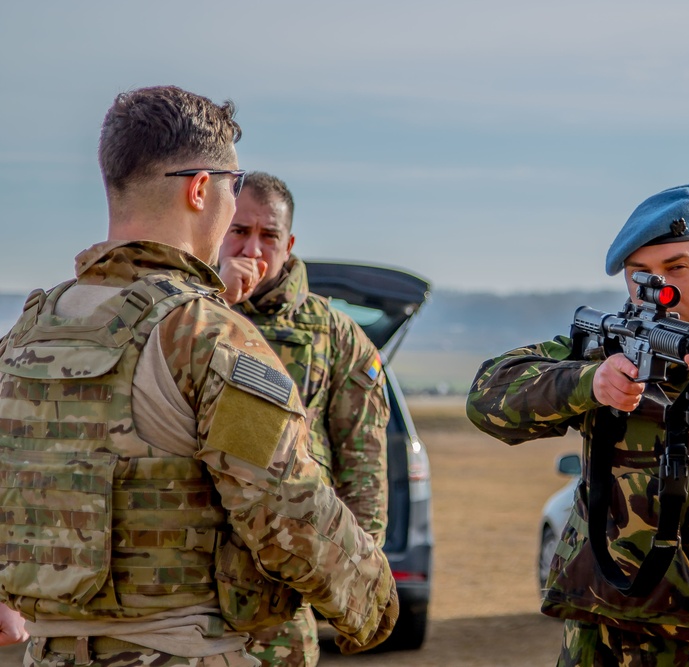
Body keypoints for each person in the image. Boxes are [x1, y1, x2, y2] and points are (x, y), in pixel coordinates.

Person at [0, 85, 397, 667]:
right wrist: (375, 606)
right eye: (235, 189)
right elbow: (287, 509)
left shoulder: (32, 328)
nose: (236, 210)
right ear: (200, 188)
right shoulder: (208, 334)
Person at [466, 184, 689, 666]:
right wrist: (590, 384)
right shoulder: (608, 347)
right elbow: (488, 395)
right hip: (603, 631)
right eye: (642, 275)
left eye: (677, 267)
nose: (662, 288)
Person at [216, 171, 390, 667]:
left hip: (280, 590)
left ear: (288, 244)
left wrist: (358, 575)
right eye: (239, 231)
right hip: (187, 581)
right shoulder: (185, 316)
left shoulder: (335, 335)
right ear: (217, 231)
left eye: (268, 236)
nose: (253, 248)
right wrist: (216, 301)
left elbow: (364, 462)